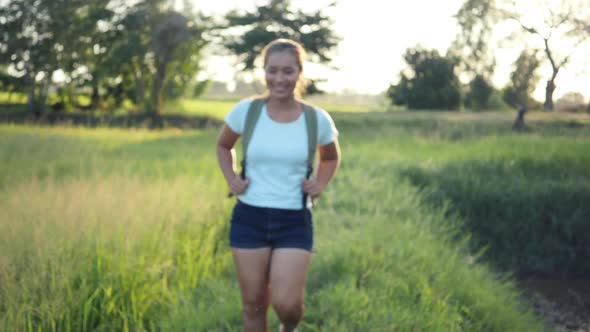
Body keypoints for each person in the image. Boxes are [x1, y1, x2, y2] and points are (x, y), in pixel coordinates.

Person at [216, 38, 341, 332]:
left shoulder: (316, 119)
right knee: (254, 304)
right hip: (250, 217)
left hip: (294, 218)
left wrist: (319, 184)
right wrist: (232, 179)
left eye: (287, 71)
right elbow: (223, 146)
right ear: (264, 71)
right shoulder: (246, 112)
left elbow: (331, 157)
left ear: (300, 72)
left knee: (287, 304)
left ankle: (289, 327)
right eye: (272, 71)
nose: (279, 79)